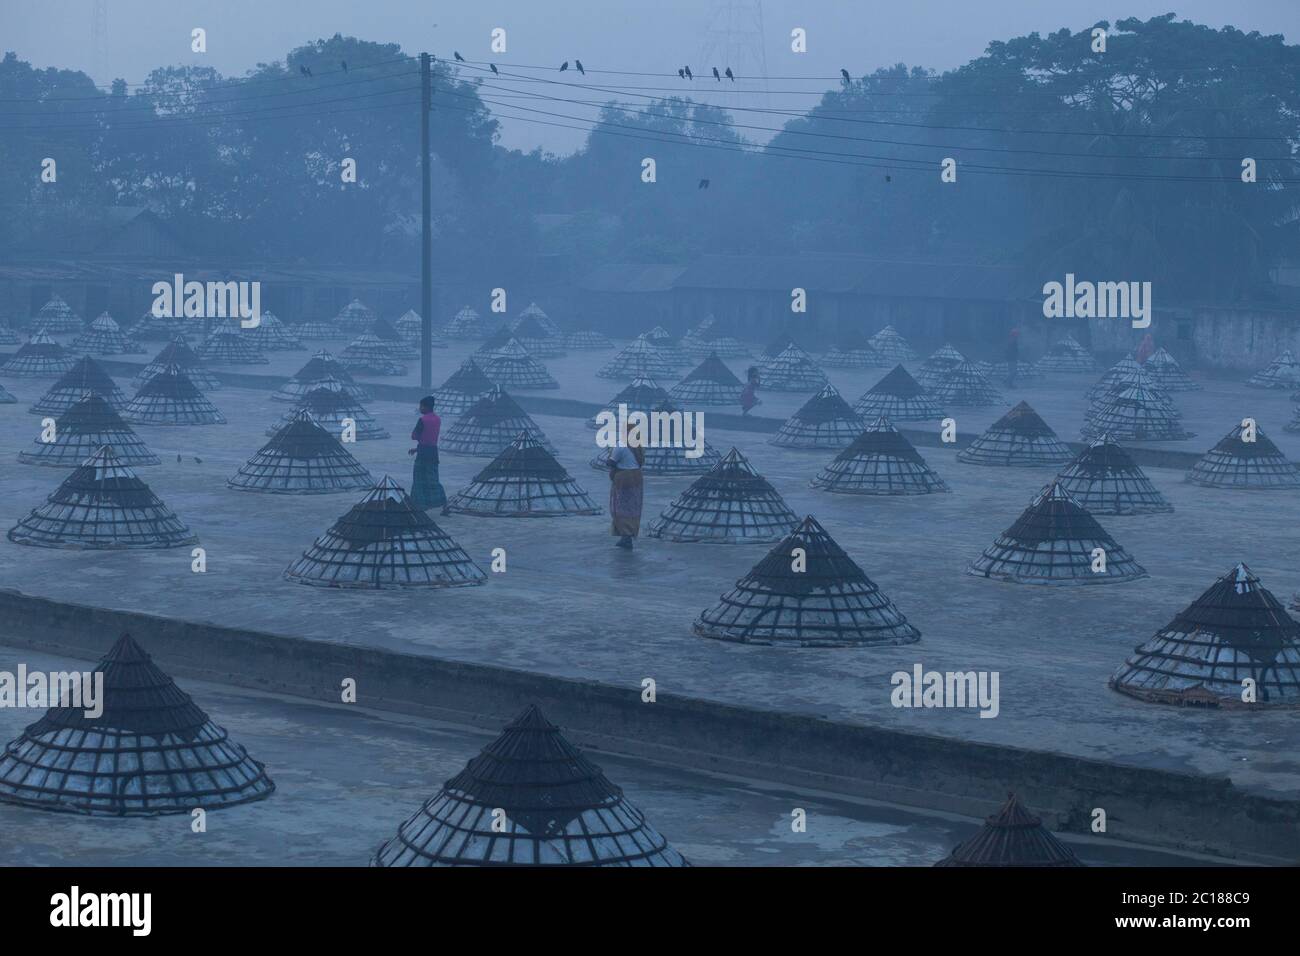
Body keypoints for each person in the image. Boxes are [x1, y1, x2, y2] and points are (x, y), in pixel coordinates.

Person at [606, 423, 645, 549]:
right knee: (632, 507)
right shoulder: (638, 446)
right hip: (636, 477)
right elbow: (641, 462)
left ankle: (626, 537)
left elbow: (611, 462)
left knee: (620, 507)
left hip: (624, 478)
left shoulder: (621, 445)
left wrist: (609, 453)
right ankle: (627, 535)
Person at [408, 395, 448, 514]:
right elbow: (430, 439)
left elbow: (414, 436)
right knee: (433, 479)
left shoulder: (423, 420)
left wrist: (418, 445)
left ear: (425, 407)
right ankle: (442, 502)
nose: (420, 408)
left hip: (423, 454)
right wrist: (416, 449)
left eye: (421, 406)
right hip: (433, 452)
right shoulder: (437, 419)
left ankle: (418, 505)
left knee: (419, 480)